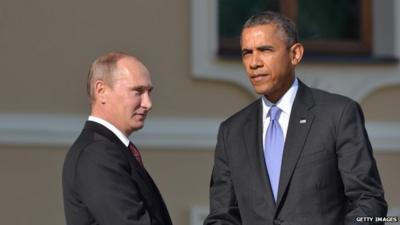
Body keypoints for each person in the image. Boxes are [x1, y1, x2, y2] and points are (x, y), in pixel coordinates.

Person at [204, 11, 387, 225]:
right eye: (247, 52)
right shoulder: (231, 132)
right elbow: (222, 216)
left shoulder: (338, 115)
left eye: (265, 50)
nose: (254, 62)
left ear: (295, 54)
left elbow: (369, 202)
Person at [63, 52, 172, 225]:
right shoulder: (97, 154)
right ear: (102, 91)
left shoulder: (109, 149)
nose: (148, 103)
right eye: (137, 91)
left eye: (149, 92)